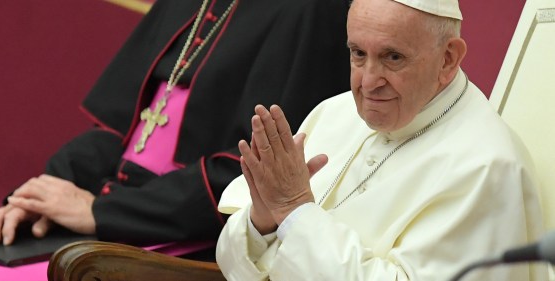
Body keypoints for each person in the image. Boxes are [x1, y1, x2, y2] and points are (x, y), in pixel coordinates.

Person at [0, 0, 350, 264]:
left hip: (190, 240)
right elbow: (121, 130)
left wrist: (100, 212)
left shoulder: (311, 10)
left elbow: (248, 180)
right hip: (114, 209)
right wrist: (41, 193)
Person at [215, 0, 548, 280]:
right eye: (358, 53)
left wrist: (293, 211)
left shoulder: (486, 167)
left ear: (448, 59)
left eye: (393, 58)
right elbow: (232, 266)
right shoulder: (334, 112)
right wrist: (262, 221)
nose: (369, 82)